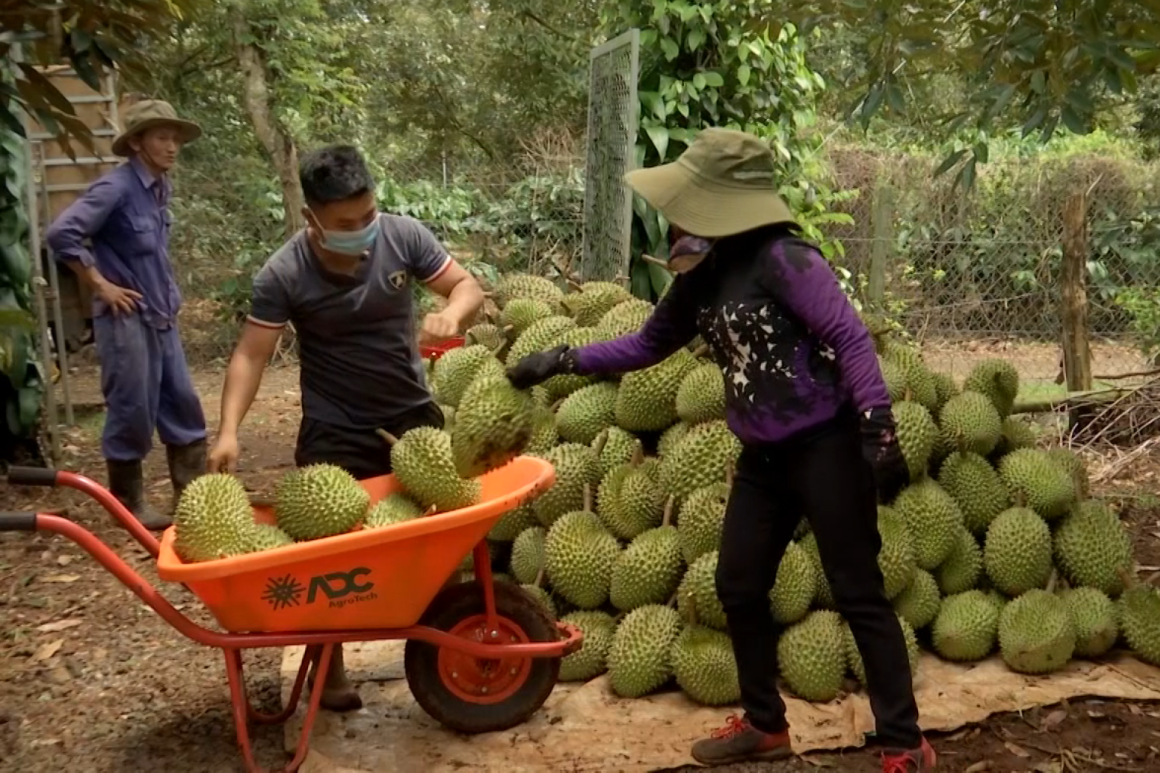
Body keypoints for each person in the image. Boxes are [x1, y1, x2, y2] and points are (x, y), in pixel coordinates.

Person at [506, 128, 937, 771]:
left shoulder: (786, 259)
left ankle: (905, 743)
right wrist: (565, 359)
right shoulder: (702, 272)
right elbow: (648, 345)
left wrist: (877, 425)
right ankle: (766, 725)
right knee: (738, 584)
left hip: (826, 446)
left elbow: (849, 338)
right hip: (763, 459)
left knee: (858, 591)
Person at [206, 144, 484, 712]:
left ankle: (450, 649)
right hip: (335, 428)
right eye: (343, 224)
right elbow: (251, 356)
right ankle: (329, 672)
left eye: (367, 216)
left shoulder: (403, 236)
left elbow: (467, 287)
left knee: (442, 539)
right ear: (312, 219)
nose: (361, 231)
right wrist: (229, 429)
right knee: (325, 557)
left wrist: (450, 314)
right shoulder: (284, 272)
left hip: (412, 417)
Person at [47, 99, 209, 530]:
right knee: (132, 408)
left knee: (183, 403)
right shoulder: (116, 188)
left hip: (162, 315)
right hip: (126, 319)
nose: (172, 146)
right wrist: (99, 284)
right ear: (137, 142)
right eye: (162, 137)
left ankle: (193, 498)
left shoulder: (159, 188)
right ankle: (127, 506)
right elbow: (62, 234)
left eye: (175, 138)